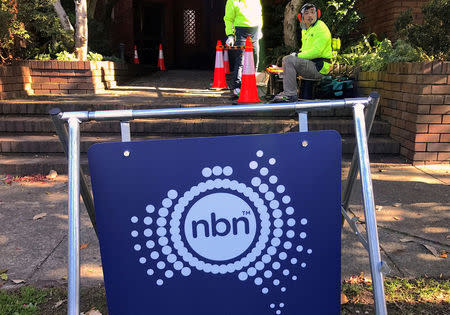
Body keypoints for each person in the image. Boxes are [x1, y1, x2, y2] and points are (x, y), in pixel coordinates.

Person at [272, 3, 332, 102]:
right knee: (287, 60)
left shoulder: (321, 27)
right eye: (307, 13)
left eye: (312, 12)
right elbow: (305, 50)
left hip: (319, 67)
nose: (310, 16)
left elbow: (317, 52)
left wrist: (297, 55)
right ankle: (290, 93)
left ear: (318, 14)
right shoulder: (305, 30)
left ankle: (290, 94)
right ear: (301, 17)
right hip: (312, 64)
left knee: (289, 60)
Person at [224, 0, 263, 98]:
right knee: (241, 59)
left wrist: (260, 30)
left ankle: (252, 84)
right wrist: (230, 35)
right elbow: (228, 19)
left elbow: (259, 15)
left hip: (254, 30)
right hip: (240, 31)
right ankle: (237, 86)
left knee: (255, 57)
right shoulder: (232, 1)